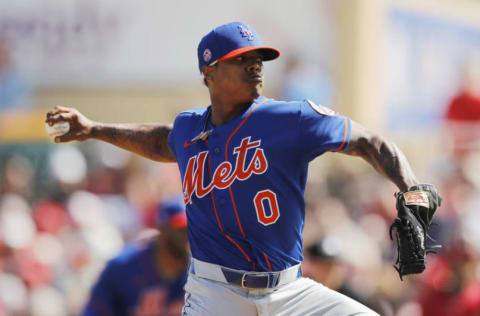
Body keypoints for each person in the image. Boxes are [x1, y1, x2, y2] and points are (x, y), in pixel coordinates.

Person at [47, 22, 438, 315]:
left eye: (258, 59)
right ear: (209, 72)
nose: (255, 67)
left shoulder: (290, 118)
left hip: (290, 292)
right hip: (215, 293)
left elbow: (369, 141)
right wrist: (94, 129)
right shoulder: (189, 128)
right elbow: (160, 139)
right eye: (242, 60)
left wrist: (411, 186)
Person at [82, 195, 189, 316]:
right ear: (162, 230)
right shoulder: (123, 267)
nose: (187, 237)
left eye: (191, 230)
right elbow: (94, 311)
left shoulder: (198, 268)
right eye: (181, 230)